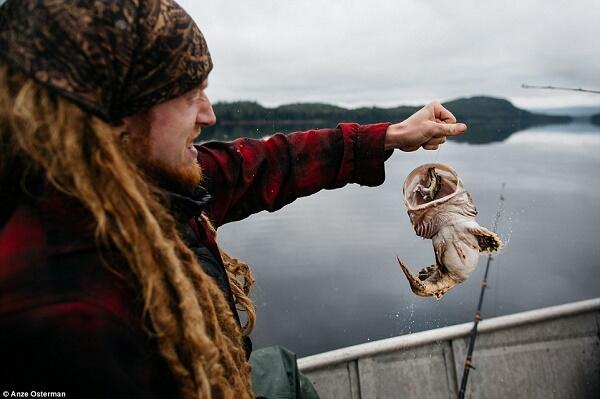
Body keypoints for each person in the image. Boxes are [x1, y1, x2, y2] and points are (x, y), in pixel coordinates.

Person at [0, 1, 466, 398]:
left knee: (280, 366)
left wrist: (392, 135)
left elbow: (266, 163)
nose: (209, 114)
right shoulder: (59, 317)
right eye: (189, 96)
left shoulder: (145, 182)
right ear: (113, 117)